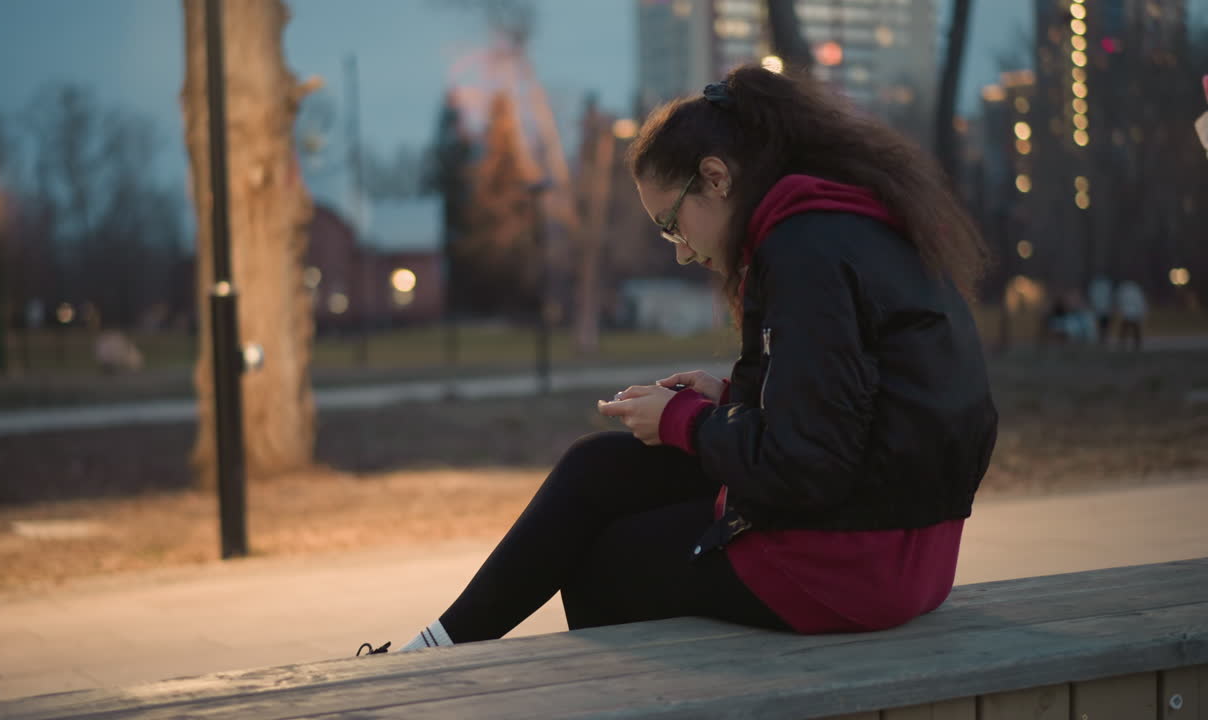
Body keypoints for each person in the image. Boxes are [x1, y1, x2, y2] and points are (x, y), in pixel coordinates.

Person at [364, 66, 998, 655]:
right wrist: (727, 400)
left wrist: (684, 421)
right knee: (598, 468)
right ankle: (435, 651)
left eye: (672, 224)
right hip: (898, 544)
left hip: (853, 563)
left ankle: (442, 667)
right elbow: (857, 403)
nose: (680, 252)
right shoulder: (844, 225)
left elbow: (809, 465)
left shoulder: (803, 251)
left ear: (716, 178)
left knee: (606, 562)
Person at [1115, 279, 1147, 351]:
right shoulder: (1134, 289)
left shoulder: (1125, 289)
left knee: (1130, 331)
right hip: (1132, 314)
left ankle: (1126, 345)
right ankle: (1132, 345)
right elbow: (1140, 302)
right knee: (1129, 331)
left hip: (1129, 314)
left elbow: (1120, 301)